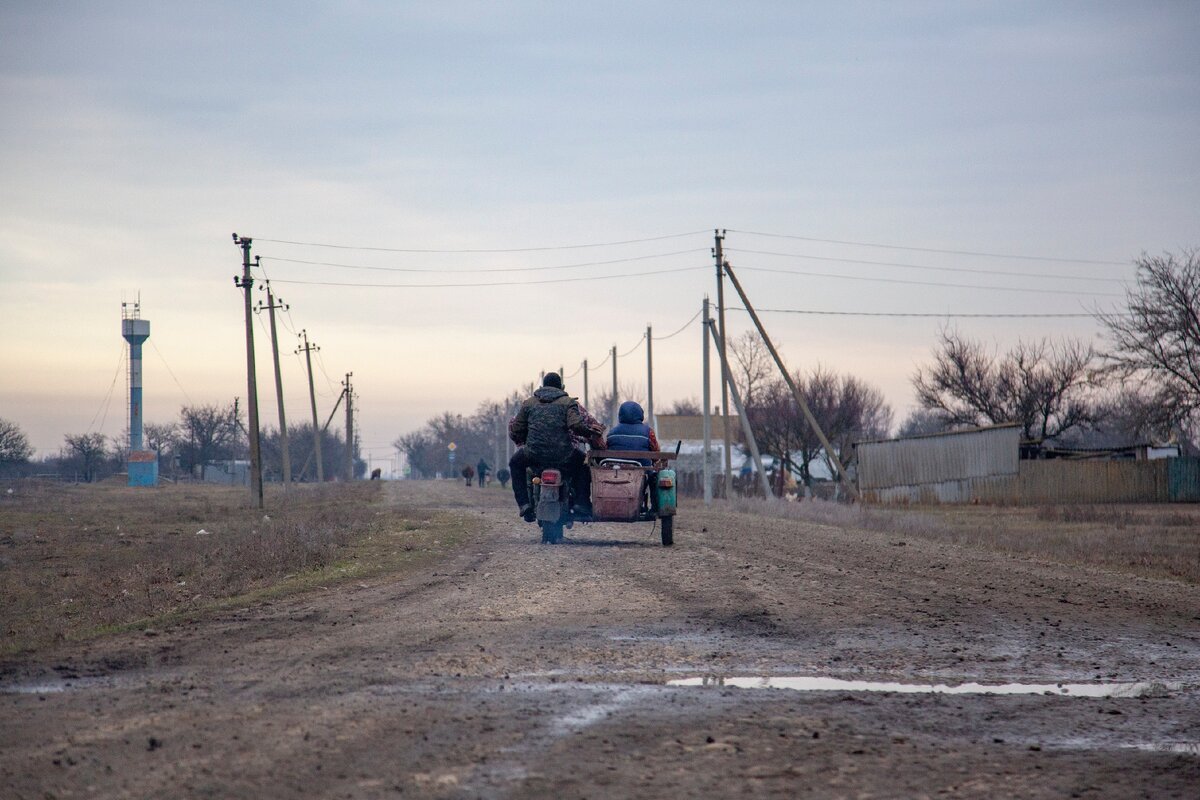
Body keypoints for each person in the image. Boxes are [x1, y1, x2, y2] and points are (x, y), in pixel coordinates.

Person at [508, 372, 604, 521]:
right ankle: (581, 503)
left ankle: (524, 504)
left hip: (534, 454)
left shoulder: (528, 403)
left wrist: (521, 439)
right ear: (561, 387)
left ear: (542, 386)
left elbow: (516, 428)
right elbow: (576, 425)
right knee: (585, 465)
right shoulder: (568, 402)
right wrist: (588, 433)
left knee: (515, 463)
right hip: (563, 454)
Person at [605, 401, 660, 465]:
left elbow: (606, 451)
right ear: (641, 414)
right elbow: (656, 455)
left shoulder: (611, 433)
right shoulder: (648, 432)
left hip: (615, 472)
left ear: (620, 415)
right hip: (643, 471)